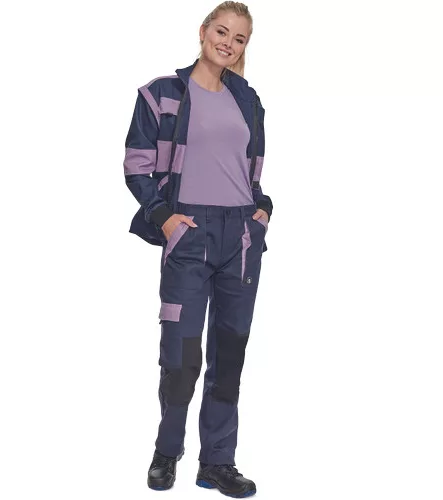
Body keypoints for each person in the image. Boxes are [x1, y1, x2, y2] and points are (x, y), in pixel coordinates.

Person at [123, 2, 273, 497]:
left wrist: (261, 209)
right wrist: (164, 217)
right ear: (204, 31)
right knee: (182, 356)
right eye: (222, 31)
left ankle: (217, 464)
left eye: (239, 38)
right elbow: (137, 165)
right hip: (189, 234)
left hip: (241, 237)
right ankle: (167, 451)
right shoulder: (163, 93)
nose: (228, 43)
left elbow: (251, 170)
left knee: (228, 357)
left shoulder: (248, 99)